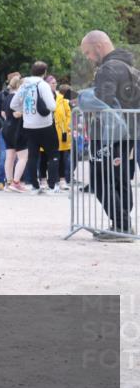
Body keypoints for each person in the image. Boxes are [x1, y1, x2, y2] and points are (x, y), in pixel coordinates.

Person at [79, 30, 136, 242]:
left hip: (108, 134)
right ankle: (122, 224)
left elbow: (106, 102)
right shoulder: (131, 68)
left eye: (88, 53)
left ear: (99, 47)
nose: (88, 58)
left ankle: (120, 226)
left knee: (101, 179)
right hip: (129, 133)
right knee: (119, 179)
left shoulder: (108, 69)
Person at [10, 61, 59, 194]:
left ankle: (35, 186)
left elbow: (13, 104)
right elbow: (52, 106)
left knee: (32, 156)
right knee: (53, 154)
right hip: (45, 124)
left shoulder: (24, 84)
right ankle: (52, 186)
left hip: (28, 125)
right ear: (45, 72)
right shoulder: (43, 85)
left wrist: (25, 110)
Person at [0, 72, 20, 190]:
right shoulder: (1, 95)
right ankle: (0, 180)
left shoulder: (20, 95)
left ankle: (13, 180)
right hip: (6, 129)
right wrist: (4, 124)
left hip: (16, 129)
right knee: (4, 155)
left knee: (16, 156)